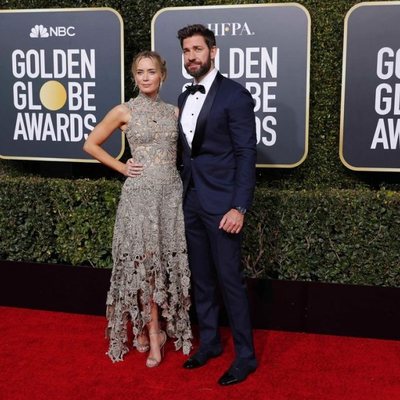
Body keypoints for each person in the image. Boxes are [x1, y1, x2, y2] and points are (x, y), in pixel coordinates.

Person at [83, 50, 192, 367]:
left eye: (152, 71)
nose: (146, 77)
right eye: (140, 72)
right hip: (140, 196)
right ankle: (152, 335)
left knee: (162, 263)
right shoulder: (124, 110)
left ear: (163, 75)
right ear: (134, 77)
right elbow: (91, 144)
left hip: (170, 195)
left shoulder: (174, 112)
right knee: (146, 266)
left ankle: (150, 332)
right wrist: (121, 167)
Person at [176, 24, 257, 385]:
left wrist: (239, 207)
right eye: (186, 51)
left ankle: (246, 356)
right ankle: (209, 342)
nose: (192, 56)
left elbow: (245, 154)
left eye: (197, 49)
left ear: (213, 51)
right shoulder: (182, 96)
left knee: (229, 281)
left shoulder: (235, 96)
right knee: (202, 280)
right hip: (191, 200)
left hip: (224, 205)